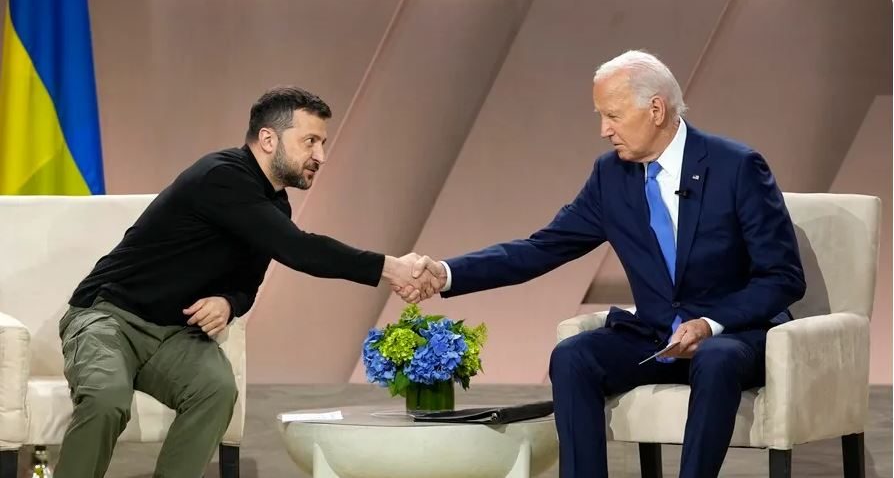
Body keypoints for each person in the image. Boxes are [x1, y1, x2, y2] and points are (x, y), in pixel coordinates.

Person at [399, 50, 806, 478]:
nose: (603, 130)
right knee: (573, 357)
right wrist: (446, 273)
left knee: (716, 358)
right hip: (655, 337)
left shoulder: (736, 167)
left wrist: (710, 323)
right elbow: (542, 247)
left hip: (732, 336)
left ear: (655, 109)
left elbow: (782, 278)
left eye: (611, 115)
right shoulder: (611, 175)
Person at [57, 86, 434, 477]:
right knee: (106, 398)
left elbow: (248, 285)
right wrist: (391, 268)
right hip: (109, 318)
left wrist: (227, 302)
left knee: (215, 391)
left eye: (322, 142)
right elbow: (300, 251)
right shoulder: (222, 176)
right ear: (269, 139)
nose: (320, 156)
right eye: (310, 141)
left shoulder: (274, 203)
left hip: (174, 333)